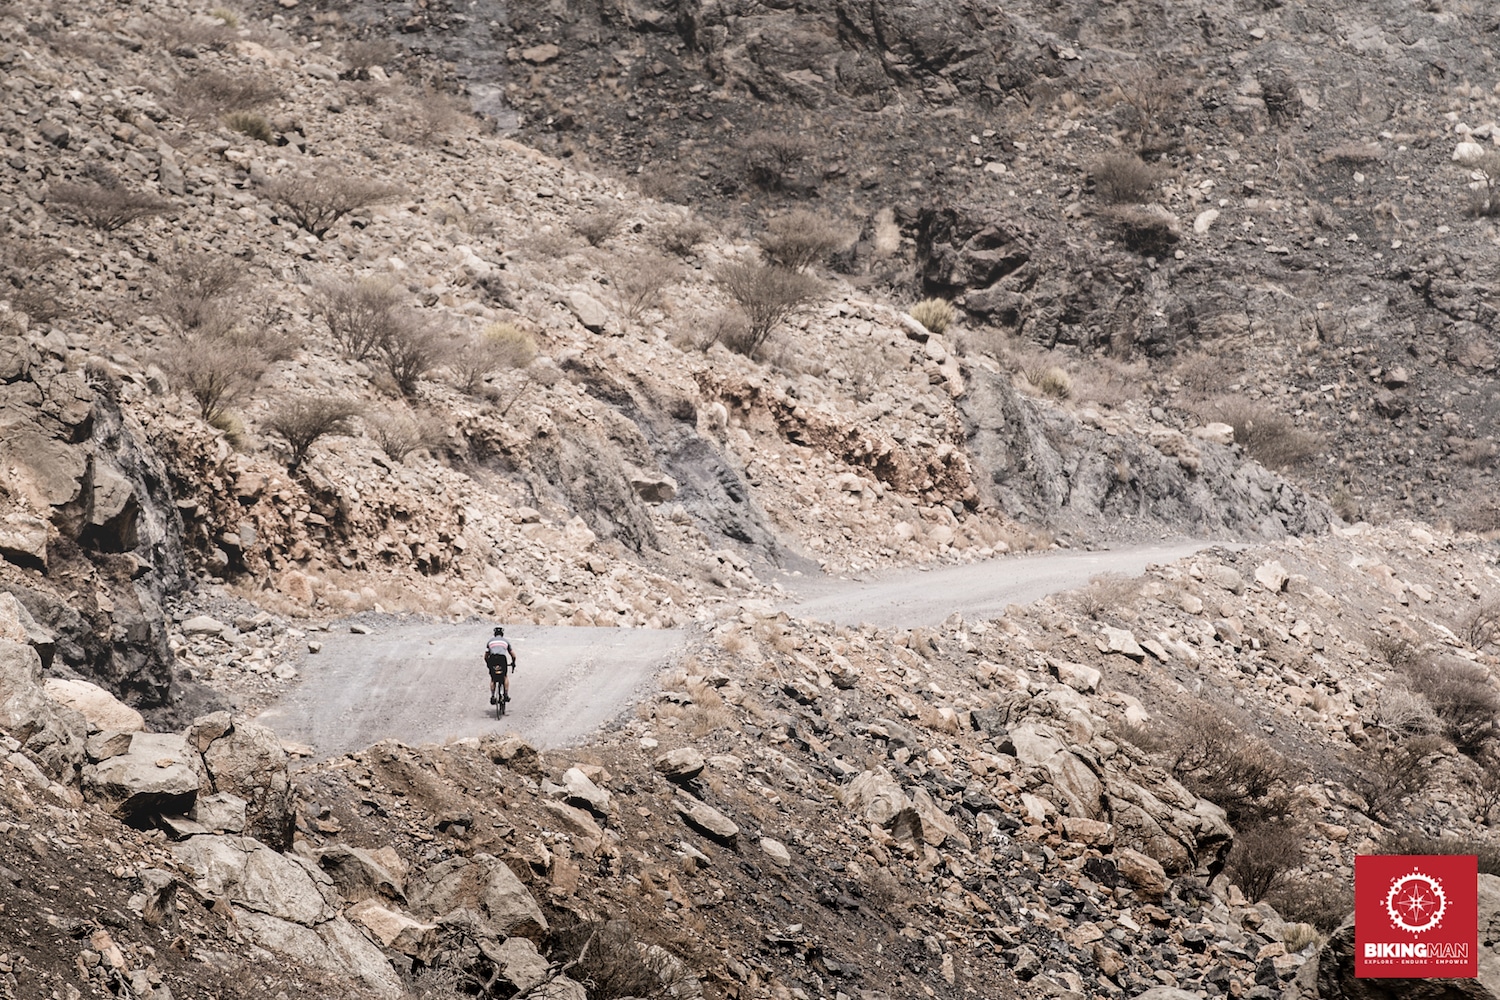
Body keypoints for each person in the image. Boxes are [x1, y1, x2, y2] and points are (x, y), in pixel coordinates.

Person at [484, 626, 516, 706]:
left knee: (493, 679)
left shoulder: (490, 641)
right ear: (502, 634)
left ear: (494, 634)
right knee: (505, 676)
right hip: (502, 659)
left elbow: (486, 656)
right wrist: (513, 662)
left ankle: (492, 696)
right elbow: (513, 655)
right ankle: (506, 694)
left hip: (493, 659)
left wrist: (488, 664)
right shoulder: (505, 641)